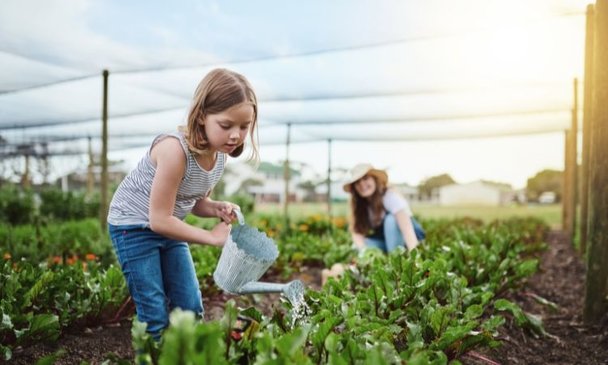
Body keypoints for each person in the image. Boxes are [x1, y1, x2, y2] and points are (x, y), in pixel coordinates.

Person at [107, 68, 259, 340]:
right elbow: (159, 219)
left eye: (244, 126)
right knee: (154, 314)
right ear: (201, 116)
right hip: (133, 227)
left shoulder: (219, 156)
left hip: (168, 227)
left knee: (189, 306)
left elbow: (193, 201)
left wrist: (214, 207)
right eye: (226, 125)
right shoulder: (174, 151)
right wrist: (211, 238)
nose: (236, 135)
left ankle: (184, 355)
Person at [343, 163, 425, 253]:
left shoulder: (389, 196)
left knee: (391, 219)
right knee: (357, 246)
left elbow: (407, 229)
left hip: (409, 239)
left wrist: (414, 253)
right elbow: (357, 232)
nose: (362, 184)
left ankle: (396, 257)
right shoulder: (361, 205)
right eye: (357, 182)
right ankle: (390, 253)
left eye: (366, 178)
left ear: (375, 179)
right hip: (387, 241)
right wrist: (363, 252)